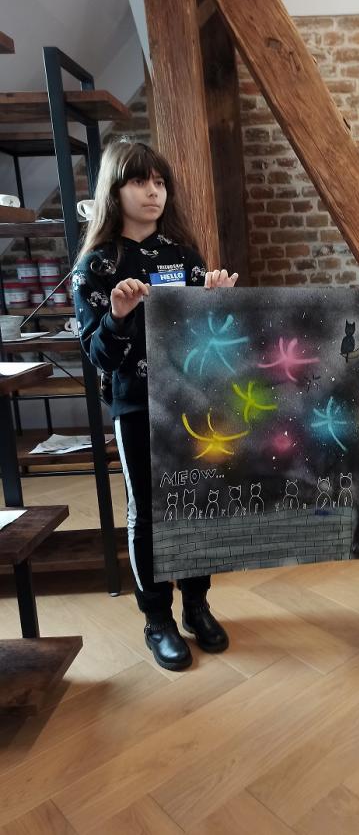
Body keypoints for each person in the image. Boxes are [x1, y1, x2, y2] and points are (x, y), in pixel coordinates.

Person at [73, 139, 238, 671]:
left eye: (160, 182)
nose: (153, 192)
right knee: (148, 512)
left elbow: (209, 343)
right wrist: (118, 316)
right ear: (113, 191)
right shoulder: (96, 267)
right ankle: (157, 619)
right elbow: (100, 357)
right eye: (140, 181)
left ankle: (196, 605)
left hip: (193, 404)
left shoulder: (183, 257)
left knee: (195, 503)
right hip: (137, 407)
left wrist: (216, 303)